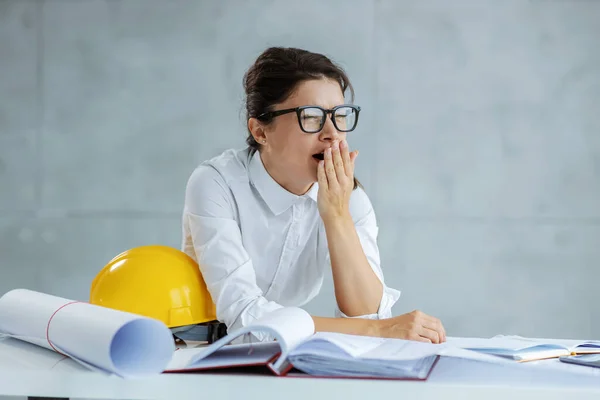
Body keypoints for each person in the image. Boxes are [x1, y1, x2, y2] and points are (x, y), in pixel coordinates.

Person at [181, 46, 446, 344]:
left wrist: (337, 215)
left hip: (277, 359)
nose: (332, 133)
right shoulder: (215, 184)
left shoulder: (347, 198)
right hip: (198, 355)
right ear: (260, 131)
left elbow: (369, 315)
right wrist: (377, 330)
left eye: (340, 115)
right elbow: (246, 319)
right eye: (311, 117)